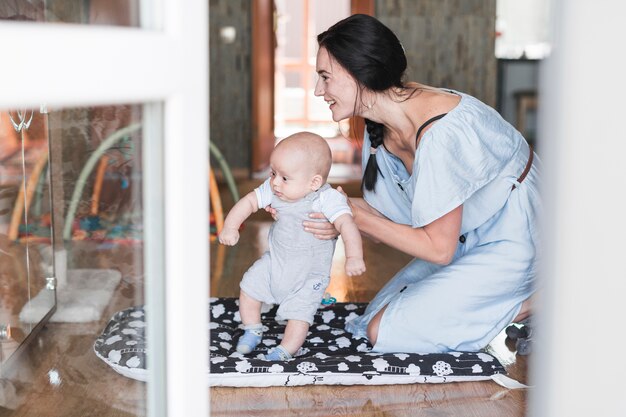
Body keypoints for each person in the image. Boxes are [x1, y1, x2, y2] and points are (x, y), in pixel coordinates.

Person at [302, 14, 541, 353]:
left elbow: (438, 250)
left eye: (325, 77)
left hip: (517, 237)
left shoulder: (440, 132)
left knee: (384, 331)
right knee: (376, 317)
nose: (317, 90)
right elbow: (389, 216)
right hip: (464, 236)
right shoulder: (381, 129)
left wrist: (356, 217)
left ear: (360, 71)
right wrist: (335, 209)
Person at [218, 132, 366, 360]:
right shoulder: (274, 189)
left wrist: (354, 256)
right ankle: (252, 329)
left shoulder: (327, 199)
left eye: (285, 178)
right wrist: (230, 226)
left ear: (314, 182)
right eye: (273, 173)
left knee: (300, 314)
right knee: (249, 287)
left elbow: (347, 225)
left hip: (309, 275)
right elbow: (248, 201)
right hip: (276, 262)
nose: (275, 182)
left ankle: (286, 349)